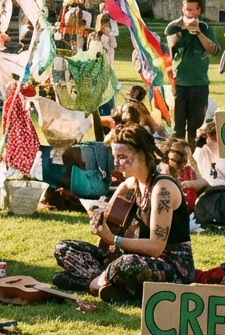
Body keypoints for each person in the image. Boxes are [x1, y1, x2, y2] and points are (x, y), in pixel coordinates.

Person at [52, 125, 194, 303]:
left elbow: (156, 247)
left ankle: (93, 283)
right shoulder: (132, 184)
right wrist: (100, 216)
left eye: (122, 157)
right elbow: (111, 218)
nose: (116, 164)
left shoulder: (162, 188)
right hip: (132, 257)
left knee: (126, 263)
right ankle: (111, 283)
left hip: (169, 267)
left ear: (142, 155)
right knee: (64, 248)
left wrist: (113, 239)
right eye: (115, 157)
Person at [165, 0, 218, 141]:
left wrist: (199, 33)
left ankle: (194, 153)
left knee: (196, 128)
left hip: (199, 83)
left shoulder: (205, 27)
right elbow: (168, 49)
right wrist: (182, 31)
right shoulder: (173, 27)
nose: (191, 13)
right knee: (178, 129)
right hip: (179, 84)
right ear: (182, 8)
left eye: (194, 10)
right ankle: (179, 154)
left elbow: (214, 50)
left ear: (199, 10)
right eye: (188, 9)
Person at [182, 120, 225, 227]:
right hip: (209, 193)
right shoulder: (204, 151)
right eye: (212, 138)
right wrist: (200, 143)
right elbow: (196, 164)